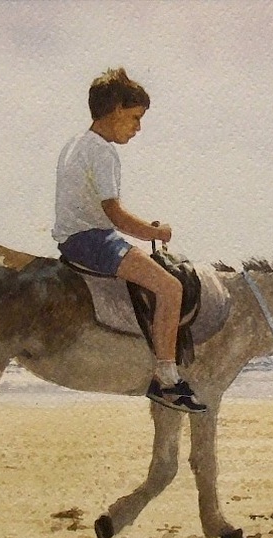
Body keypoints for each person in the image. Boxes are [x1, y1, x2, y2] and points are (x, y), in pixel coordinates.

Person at [52, 67, 206, 413]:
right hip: (93, 241)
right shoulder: (104, 152)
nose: (137, 128)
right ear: (117, 109)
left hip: (70, 239)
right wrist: (156, 233)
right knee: (170, 288)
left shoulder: (74, 144)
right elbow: (116, 216)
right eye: (135, 118)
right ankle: (167, 378)